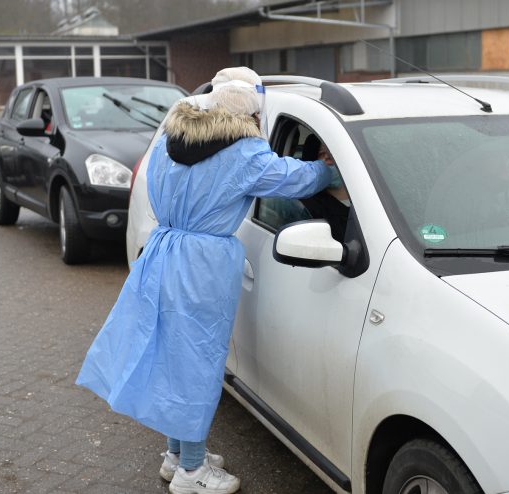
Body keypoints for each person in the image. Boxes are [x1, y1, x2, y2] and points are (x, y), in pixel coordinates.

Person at [75, 67, 332, 494]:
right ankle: (193, 473)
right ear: (250, 110)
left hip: (165, 250)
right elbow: (294, 178)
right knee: (197, 363)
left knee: (174, 356)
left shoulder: (170, 140)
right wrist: (327, 170)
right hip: (203, 264)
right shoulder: (244, 153)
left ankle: (177, 456)